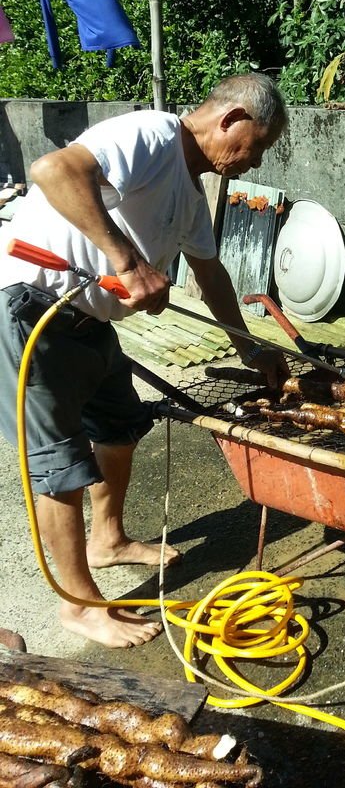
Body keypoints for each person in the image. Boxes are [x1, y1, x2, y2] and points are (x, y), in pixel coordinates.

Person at [0, 72, 290, 648]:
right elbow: (53, 171)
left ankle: (107, 540)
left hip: (92, 324)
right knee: (60, 465)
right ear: (231, 119)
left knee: (119, 427)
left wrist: (250, 348)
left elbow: (210, 274)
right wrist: (128, 264)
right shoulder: (152, 135)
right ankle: (79, 607)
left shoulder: (192, 188)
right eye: (255, 146)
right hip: (35, 312)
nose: (253, 164)